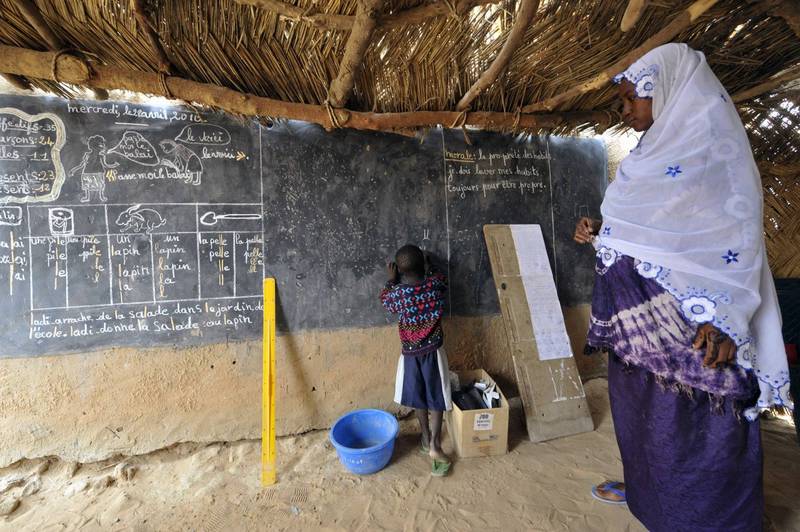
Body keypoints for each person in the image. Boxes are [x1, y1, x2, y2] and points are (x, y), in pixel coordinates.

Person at [574, 43, 792, 532]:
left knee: (698, 429)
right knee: (645, 422)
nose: (626, 109)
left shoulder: (717, 160)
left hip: (698, 334)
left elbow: (731, 245)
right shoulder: (647, 156)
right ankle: (654, 501)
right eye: (624, 100)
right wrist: (600, 232)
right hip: (639, 333)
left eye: (633, 98)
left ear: (668, 90)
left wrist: (727, 318)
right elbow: (654, 242)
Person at [380, 244, 452, 476]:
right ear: (423, 265)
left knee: (419, 396)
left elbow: (385, 300)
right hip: (433, 353)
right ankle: (435, 446)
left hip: (410, 355)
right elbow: (441, 281)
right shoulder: (433, 286)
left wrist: (391, 280)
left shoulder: (399, 294)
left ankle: (425, 437)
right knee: (437, 398)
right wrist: (430, 268)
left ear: (400, 271)